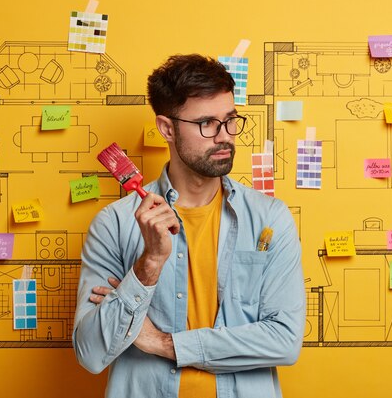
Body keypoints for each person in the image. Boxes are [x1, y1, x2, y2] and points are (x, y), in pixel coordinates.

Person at [73, 54, 306, 398]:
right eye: (207, 124)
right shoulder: (116, 224)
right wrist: (148, 265)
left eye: (230, 120)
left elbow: (285, 342)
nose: (224, 137)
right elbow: (91, 353)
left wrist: (163, 343)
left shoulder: (270, 219)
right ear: (167, 128)